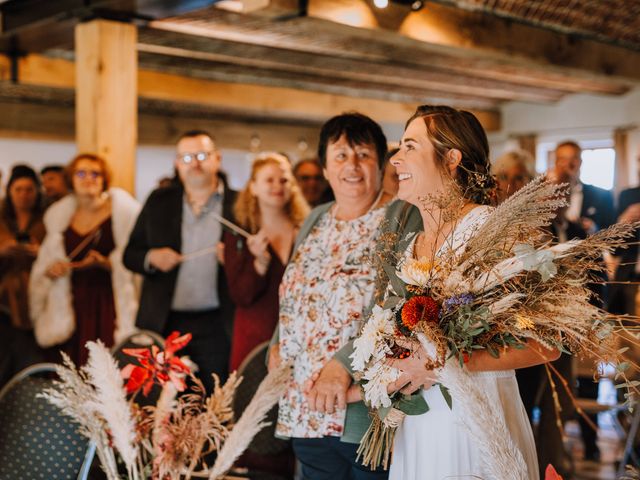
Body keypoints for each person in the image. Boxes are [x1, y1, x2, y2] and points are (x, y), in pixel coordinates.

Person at [269, 113, 422, 480]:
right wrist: (277, 343)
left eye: (363, 154)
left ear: (381, 163)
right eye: (340, 156)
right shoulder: (316, 217)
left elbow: (394, 304)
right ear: (324, 168)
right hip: (304, 402)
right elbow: (295, 290)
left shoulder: (402, 214)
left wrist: (343, 366)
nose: (351, 166)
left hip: (359, 402)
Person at [123, 130, 237, 392]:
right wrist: (152, 257)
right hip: (165, 321)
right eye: (186, 157)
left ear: (217, 159)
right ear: (176, 164)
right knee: (163, 404)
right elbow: (130, 254)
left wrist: (235, 259)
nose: (194, 163)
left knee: (214, 399)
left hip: (219, 323)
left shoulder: (239, 202)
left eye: (201, 155)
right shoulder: (159, 200)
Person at [29, 154, 140, 365]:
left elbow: (131, 262)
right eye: (81, 173)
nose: (88, 178)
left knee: (108, 367)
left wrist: (106, 263)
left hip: (108, 302)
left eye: (95, 173)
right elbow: (43, 265)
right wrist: (52, 269)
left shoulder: (123, 215)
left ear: (104, 179)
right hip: (71, 300)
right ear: (71, 178)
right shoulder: (59, 217)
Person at [224, 152, 309, 372]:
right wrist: (259, 265)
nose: (277, 186)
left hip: (297, 334)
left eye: (284, 180)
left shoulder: (306, 229)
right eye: (269, 180)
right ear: (253, 187)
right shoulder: (239, 233)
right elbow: (240, 295)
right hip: (254, 335)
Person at [0, 165, 46, 329]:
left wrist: (42, 253)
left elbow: (60, 252)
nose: (23, 195)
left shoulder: (48, 219)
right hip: (4, 288)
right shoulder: (2, 219)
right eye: (18, 189)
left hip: (38, 289)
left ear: (37, 192)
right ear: (9, 191)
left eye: (29, 190)